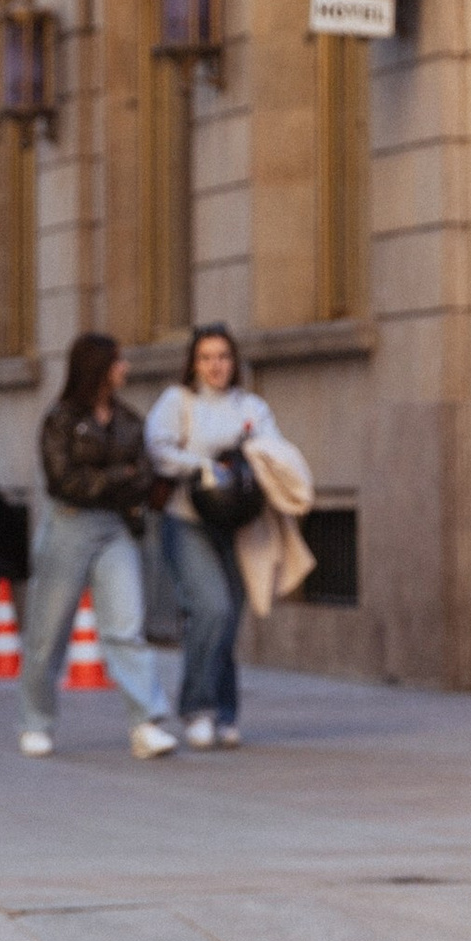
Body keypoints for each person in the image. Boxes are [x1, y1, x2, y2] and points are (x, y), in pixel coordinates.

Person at [147, 326, 314, 744]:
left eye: (222, 356)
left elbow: (272, 451)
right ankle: (196, 709)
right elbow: (159, 450)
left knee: (227, 619)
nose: (215, 365)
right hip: (187, 521)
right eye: (205, 357)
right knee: (212, 609)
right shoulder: (178, 402)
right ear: (193, 363)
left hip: (240, 525)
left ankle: (225, 714)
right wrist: (202, 465)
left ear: (234, 361)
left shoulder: (252, 406)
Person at [16, 333, 179, 762]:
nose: (125, 368)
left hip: (115, 529)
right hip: (68, 527)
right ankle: (36, 722)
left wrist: (114, 480)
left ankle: (145, 724)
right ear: (98, 367)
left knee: (126, 627)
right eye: (118, 361)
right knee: (48, 634)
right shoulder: (61, 419)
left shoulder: (128, 419)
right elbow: (63, 481)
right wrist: (119, 477)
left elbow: (145, 476)